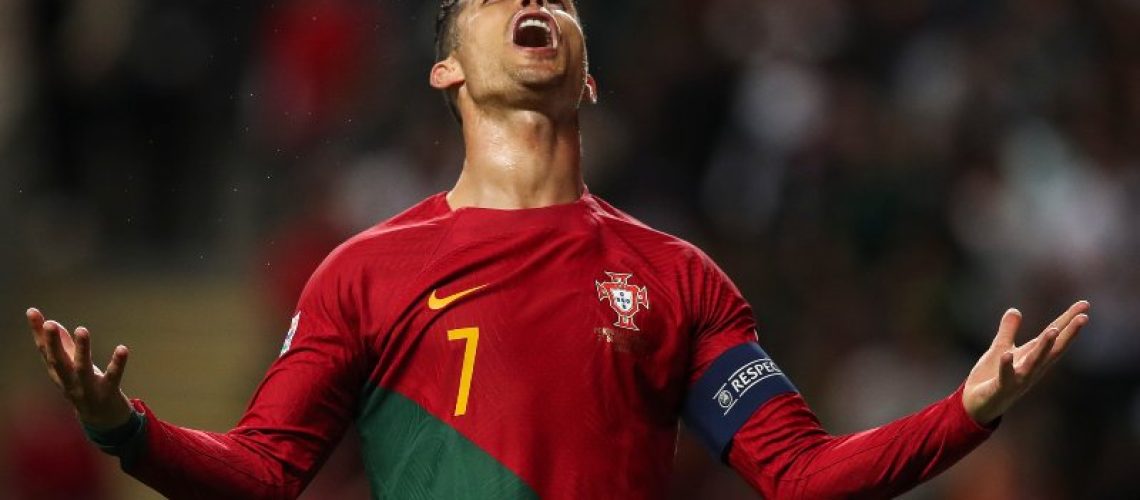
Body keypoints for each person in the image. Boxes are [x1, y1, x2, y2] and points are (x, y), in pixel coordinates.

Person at [26, 1, 1091, 498]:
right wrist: (125, 428)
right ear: (446, 70)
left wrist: (967, 411)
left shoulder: (680, 279)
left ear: (587, 73)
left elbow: (801, 474)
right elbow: (264, 471)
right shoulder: (361, 273)